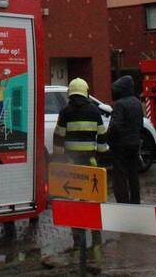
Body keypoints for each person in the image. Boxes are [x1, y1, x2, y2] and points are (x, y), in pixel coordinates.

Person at [55, 78, 108, 264]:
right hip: (91, 165)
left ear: (70, 92)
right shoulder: (95, 111)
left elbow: (58, 138)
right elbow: (102, 139)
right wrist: (102, 157)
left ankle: (77, 245)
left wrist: (60, 159)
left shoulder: (65, 112)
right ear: (86, 92)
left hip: (72, 166)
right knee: (93, 204)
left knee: (74, 205)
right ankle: (97, 245)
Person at [108, 75, 143, 204]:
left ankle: (123, 203)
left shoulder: (120, 104)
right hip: (134, 144)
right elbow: (140, 124)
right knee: (133, 174)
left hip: (120, 146)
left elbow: (116, 125)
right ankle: (135, 201)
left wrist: (109, 137)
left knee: (120, 176)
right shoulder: (137, 102)